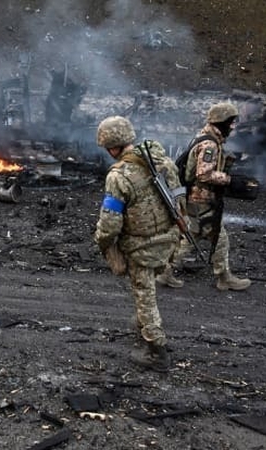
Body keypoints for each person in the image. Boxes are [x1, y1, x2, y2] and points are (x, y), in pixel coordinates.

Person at [93, 115, 181, 372]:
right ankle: (143, 324)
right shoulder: (163, 161)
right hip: (169, 238)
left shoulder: (118, 176)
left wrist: (102, 242)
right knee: (148, 288)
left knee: (145, 295)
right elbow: (179, 198)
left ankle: (156, 351)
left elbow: (110, 222)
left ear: (112, 147)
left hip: (141, 246)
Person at [157, 102, 251, 291]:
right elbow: (203, 174)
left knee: (192, 235)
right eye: (231, 123)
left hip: (195, 198)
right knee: (218, 237)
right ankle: (224, 278)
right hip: (201, 199)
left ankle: (165, 272)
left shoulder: (205, 137)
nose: (233, 127)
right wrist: (229, 180)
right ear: (222, 122)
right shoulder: (210, 144)